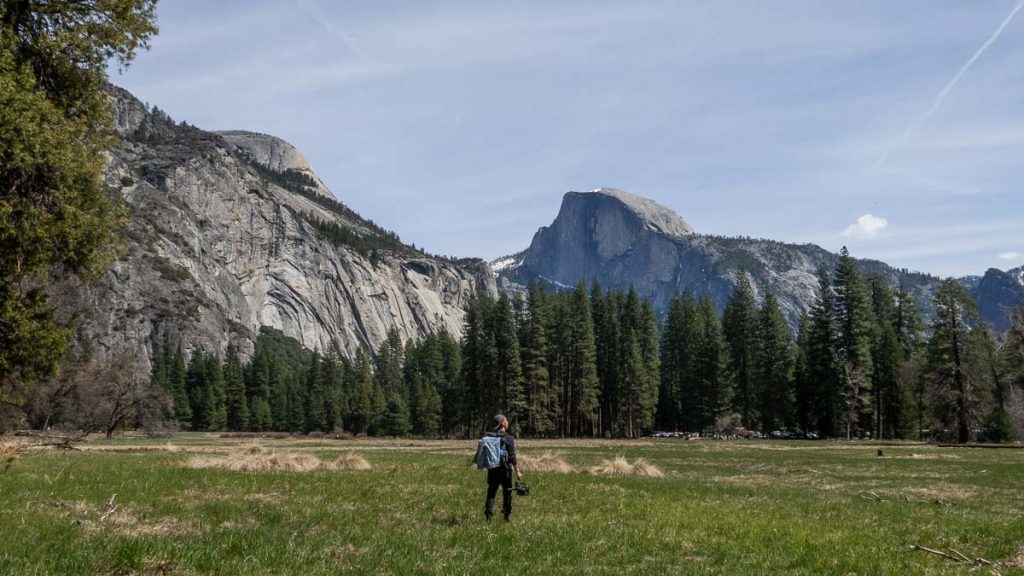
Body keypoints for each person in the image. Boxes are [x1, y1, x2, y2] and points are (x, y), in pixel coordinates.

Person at [484, 413, 522, 522]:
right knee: (507, 492)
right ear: (503, 423)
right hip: (505, 470)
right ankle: (506, 516)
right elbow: (512, 457)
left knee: (491, 492)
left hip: (492, 469)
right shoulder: (509, 438)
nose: (508, 422)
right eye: (506, 420)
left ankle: (488, 517)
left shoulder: (490, 437)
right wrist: (518, 471)